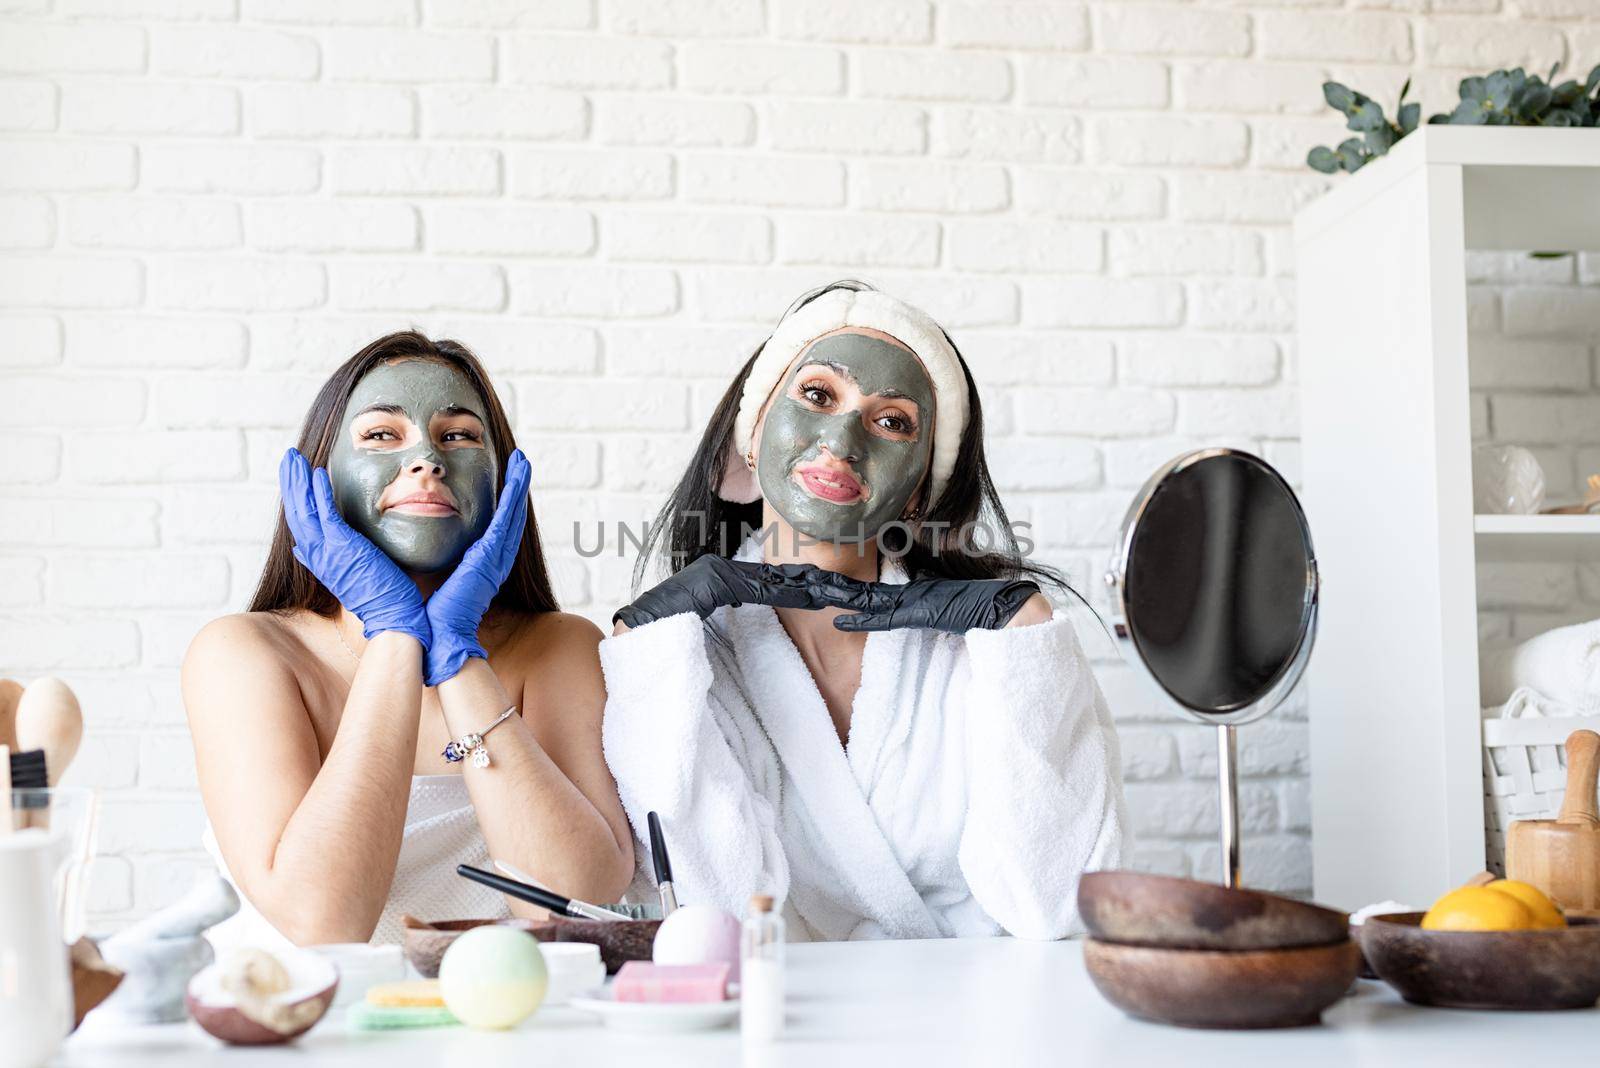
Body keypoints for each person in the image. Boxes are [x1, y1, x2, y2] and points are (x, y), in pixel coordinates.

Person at [602, 281, 1126, 941]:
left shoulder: (994, 649)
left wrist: (1020, 631)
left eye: (891, 421)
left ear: (919, 490)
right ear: (753, 433)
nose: (844, 438)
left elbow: (1056, 908)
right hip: (783, 1027)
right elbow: (712, 917)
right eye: (818, 395)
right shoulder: (688, 661)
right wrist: (645, 644)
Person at [183, 332, 632, 948]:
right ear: (322, 474)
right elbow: (326, 925)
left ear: (503, 482)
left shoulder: (560, 648)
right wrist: (394, 632)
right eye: (379, 436)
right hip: (303, 1030)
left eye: (458, 436)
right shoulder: (243, 655)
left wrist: (456, 655)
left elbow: (579, 906)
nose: (426, 460)